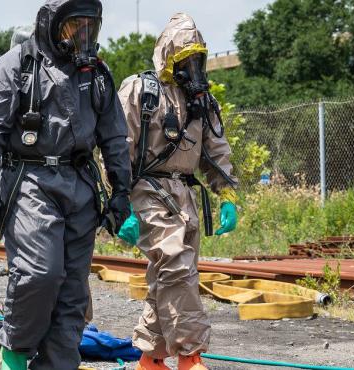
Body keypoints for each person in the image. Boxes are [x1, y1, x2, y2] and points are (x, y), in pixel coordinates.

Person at [0, 1, 131, 368]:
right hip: (30, 181)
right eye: (75, 25)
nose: (83, 34)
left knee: (74, 291)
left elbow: (114, 136)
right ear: (52, 24)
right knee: (39, 274)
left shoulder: (97, 73)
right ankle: (15, 347)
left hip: (80, 183)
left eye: (91, 25)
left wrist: (121, 190)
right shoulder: (13, 66)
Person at [117, 13, 239, 370]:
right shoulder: (140, 91)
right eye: (184, 56)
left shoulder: (202, 100)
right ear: (167, 54)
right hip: (149, 191)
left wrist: (227, 195)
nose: (192, 64)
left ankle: (150, 359)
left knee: (171, 275)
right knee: (176, 266)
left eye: (197, 56)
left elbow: (216, 152)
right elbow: (117, 149)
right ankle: (190, 356)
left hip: (185, 196)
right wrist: (119, 200)